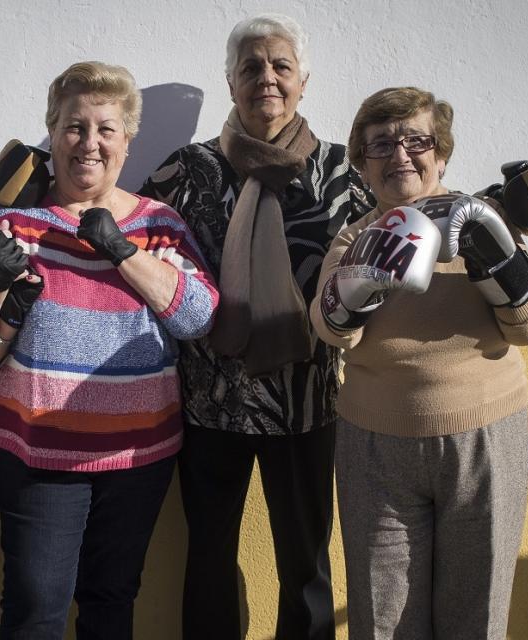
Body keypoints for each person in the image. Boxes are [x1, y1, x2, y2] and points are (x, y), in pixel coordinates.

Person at [0, 61, 218, 640]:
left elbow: (197, 318)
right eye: (74, 127)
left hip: (139, 455)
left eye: (106, 129)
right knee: (35, 608)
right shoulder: (15, 223)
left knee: (111, 600)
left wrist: (122, 250)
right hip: (40, 453)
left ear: (126, 141)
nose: (89, 143)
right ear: (53, 133)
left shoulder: (161, 224)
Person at [140, 13, 373, 640]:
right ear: (230, 81)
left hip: (306, 403)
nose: (265, 77)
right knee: (209, 559)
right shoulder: (187, 171)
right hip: (210, 402)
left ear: (303, 83)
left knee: (306, 564)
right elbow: (128, 233)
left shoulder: (341, 173)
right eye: (250, 67)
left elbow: (396, 239)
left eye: (280, 66)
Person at [309, 86, 528, 639]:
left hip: (485, 439)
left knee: (478, 611)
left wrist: (498, 259)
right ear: (362, 166)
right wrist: (363, 278)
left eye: (416, 140)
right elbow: (328, 331)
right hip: (376, 449)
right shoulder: (353, 236)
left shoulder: (485, 218)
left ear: (441, 154)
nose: (400, 154)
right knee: (383, 617)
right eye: (381, 145)